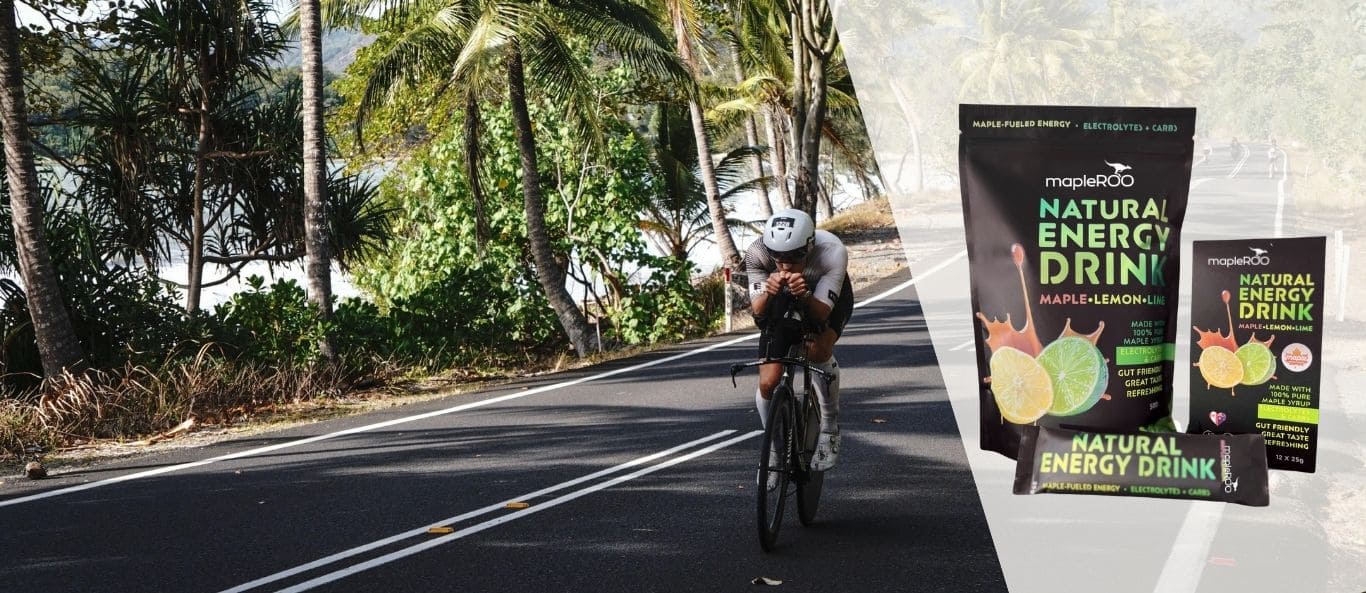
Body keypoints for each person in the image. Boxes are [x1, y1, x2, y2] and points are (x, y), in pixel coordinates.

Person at [744, 208, 853, 472]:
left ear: (810, 246)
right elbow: (758, 312)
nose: (785, 265)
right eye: (778, 257)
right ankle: (773, 449)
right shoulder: (757, 253)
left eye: (794, 257)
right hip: (779, 296)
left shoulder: (832, 252)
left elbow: (821, 314)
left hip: (821, 297)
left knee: (817, 349)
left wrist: (804, 295)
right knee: (768, 381)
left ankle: (829, 428)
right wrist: (768, 293)